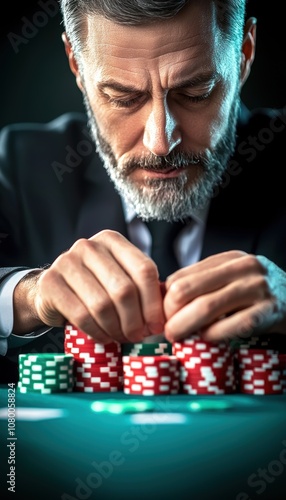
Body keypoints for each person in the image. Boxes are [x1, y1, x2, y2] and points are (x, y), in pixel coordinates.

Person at [0, 0, 286, 382]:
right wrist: (27, 296)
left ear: (245, 54)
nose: (160, 142)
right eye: (123, 97)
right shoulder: (17, 165)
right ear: (76, 65)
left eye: (196, 91)